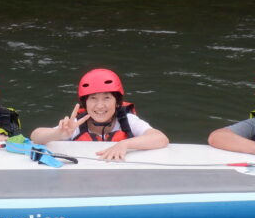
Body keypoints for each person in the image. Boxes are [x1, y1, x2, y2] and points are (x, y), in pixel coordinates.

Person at [30, 68, 169, 161]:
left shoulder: (127, 121)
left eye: (107, 98)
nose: (100, 106)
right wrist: (59, 134)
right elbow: (36, 136)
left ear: (117, 102)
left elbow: (160, 138)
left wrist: (125, 144)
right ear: (85, 103)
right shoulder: (76, 125)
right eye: (93, 98)